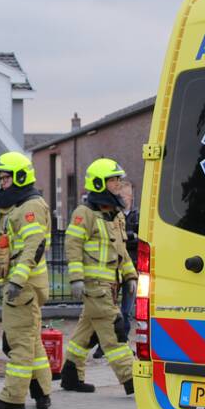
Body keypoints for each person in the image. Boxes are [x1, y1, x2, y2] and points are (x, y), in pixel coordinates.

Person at [0, 151, 53, 409]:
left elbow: (34, 246)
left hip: (23, 286)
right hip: (27, 285)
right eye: (0, 179)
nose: (2, 183)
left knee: (19, 343)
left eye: (6, 178)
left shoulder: (29, 207)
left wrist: (16, 280)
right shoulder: (19, 205)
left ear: (21, 177)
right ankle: (42, 392)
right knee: (31, 340)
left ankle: (12, 399)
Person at [62, 158, 136, 395]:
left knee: (85, 331)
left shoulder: (116, 215)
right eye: (113, 180)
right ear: (98, 183)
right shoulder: (84, 214)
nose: (118, 184)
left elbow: (122, 250)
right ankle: (132, 379)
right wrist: (76, 278)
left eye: (118, 180)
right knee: (115, 331)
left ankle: (71, 374)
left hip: (108, 287)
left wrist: (130, 276)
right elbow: (73, 245)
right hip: (95, 287)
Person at [116, 179, 139, 343]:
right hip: (115, 268)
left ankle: (122, 340)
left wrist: (126, 238)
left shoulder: (138, 216)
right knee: (109, 309)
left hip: (133, 268)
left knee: (127, 309)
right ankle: (106, 343)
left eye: (126, 195)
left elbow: (140, 239)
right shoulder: (114, 216)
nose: (123, 199)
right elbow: (115, 239)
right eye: (120, 195)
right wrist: (131, 236)